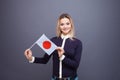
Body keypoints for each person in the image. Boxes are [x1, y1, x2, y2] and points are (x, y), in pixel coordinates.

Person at [24, 13, 82, 80]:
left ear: (71, 25)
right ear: (59, 26)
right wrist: (31, 58)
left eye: (67, 23)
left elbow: (75, 65)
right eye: (62, 24)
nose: (65, 27)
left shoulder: (77, 43)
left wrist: (62, 57)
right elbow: (44, 60)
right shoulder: (53, 41)